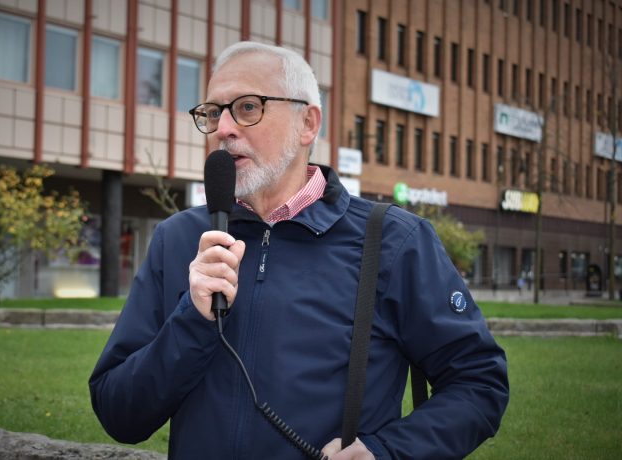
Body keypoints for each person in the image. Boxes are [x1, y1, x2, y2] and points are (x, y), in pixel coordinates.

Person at [89, 41, 509, 459]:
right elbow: (119, 413)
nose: (223, 129)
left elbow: (479, 383)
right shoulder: (178, 239)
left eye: (248, 107)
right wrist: (191, 319)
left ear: (307, 123)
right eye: (214, 113)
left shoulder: (393, 240)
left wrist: (389, 452)